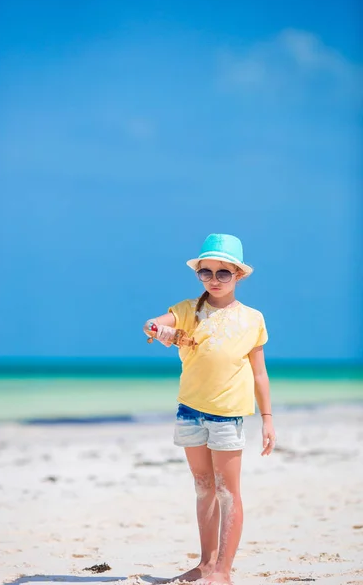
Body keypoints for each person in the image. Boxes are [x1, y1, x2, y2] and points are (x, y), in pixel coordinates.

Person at [143, 233, 276, 585]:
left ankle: (224, 572)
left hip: (228, 415)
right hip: (189, 412)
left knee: (228, 492)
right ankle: (205, 565)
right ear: (199, 274)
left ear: (239, 275)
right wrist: (160, 332)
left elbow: (259, 374)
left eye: (223, 273)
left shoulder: (252, 319)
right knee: (203, 488)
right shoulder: (189, 310)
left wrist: (267, 419)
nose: (214, 280)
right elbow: (151, 324)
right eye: (206, 272)